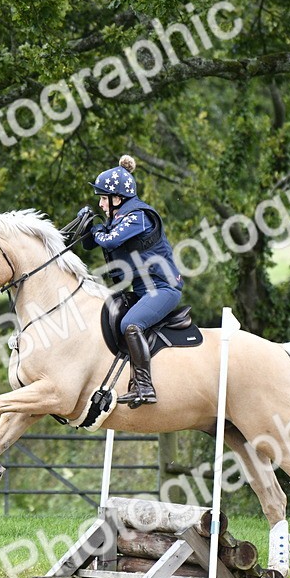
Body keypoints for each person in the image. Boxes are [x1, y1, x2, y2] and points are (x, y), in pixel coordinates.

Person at [81, 154, 183, 407]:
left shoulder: (137, 216)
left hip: (163, 289)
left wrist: (94, 230)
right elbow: (88, 244)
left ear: (118, 198)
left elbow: (110, 240)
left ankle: (145, 387)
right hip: (142, 290)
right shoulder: (119, 218)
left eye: (104, 198)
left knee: (131, 323)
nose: (102, 205)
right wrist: (85, 227)